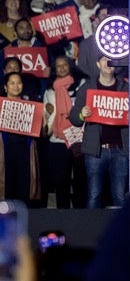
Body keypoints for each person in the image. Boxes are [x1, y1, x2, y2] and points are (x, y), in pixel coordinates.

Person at [68, 56, 128, 208]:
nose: (108, 64)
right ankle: (90, 230)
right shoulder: (87, 88)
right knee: (94, 195)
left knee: (120, 196)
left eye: (111, 61)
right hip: (96, 151)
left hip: (120, 150)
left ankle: (121, 231)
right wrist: (82, 113)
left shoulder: (127, 88)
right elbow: (74, 118)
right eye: (104, 60)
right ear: (97, 64)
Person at [43, 55, 86, 208]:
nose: (61, 68)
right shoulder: (50, 90)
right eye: (58, 66)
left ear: (70, 66)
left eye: (64, 65)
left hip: (78, 139)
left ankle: (81, 215)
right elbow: (47, 116)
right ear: (54, 70)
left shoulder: (82, 85)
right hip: (58, 141)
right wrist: (47, 117)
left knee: (80, 181)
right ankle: (63, 215)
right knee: (61, 182)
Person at [0, 73, 39, 203]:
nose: (16, 86)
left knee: (24, 190)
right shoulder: (0, 106)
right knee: (6, 191)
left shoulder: (30, 107)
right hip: (4, 152)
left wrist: (43, 123)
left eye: (19, 82)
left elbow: (40, 132)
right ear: (5, 87)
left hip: (24, 153)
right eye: (12, 83)